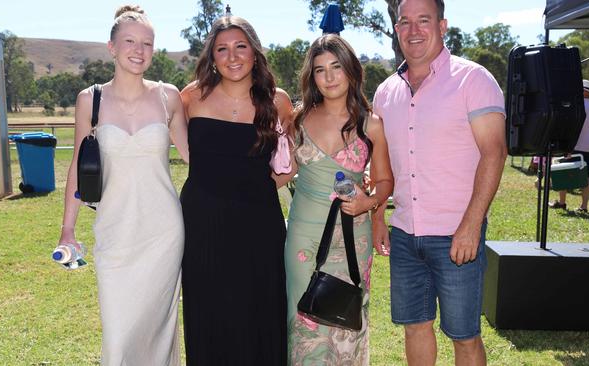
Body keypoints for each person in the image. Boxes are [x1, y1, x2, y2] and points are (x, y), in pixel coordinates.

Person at [372, 0, 507, 365]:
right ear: (396, 28)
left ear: (443, 26)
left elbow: (494, 153)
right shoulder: (385, 93)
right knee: (415, 327)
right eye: (405, 22)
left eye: (424, 20)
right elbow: (382, 167)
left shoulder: (473, 79)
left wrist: (471, 225)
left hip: (456, 234)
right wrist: (378, 217)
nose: (413, 30)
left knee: (464, 335)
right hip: (404, 235)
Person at [58, 5, 188, 365]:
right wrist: (67, 229)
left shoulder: (168, 97)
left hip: (164, 232)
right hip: (114, 232)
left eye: (147, 43)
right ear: (112, 47)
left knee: (158, 329)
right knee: (118, 336)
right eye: (130, 41)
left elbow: (198, 159)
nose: (139, 50)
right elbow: (76, 167)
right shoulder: (90, 100)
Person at [178, 14, 292, 365]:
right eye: (222, 49)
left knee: (259, 314)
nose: (232, 56)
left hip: (259, 226)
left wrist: (252, 189)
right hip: (203, 226)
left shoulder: (279, 101)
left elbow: (288, 166)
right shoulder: (190, 98)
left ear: (255, 53)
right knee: (209, 315)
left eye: (241, 46)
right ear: (212, 57)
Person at [285, 34, 393, 365]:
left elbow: (387, 181)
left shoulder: (371, 122)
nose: (329, 77)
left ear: (350, 70)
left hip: (351, 239)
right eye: (320, 70)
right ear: (312, 77)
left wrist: (369, 203)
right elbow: (283, 171)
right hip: (304, 236)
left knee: (346, 323)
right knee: (302, 320)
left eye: (336, 67)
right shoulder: (298, 119)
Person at [549, 79, 589, 213]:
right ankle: (584, 206)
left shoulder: (576, 106)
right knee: (586, 176)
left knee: (563, 172)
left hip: (572, 146)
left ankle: (562, 202)